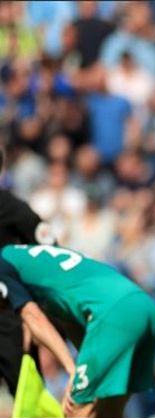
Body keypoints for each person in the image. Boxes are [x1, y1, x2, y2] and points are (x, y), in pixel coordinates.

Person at [0, 243, 155, 418]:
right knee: (108, 415)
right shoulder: (29, 258)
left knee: (77, 412)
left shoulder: (3, 266)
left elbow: (34, 316)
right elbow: (71, 322)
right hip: (144, 307)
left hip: (112, 314)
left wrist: (72, 370)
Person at [0, 147, 57, 400]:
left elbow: (51, 256)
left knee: (31, 402)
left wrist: (35, 316)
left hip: (10, 319)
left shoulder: (11, 209)